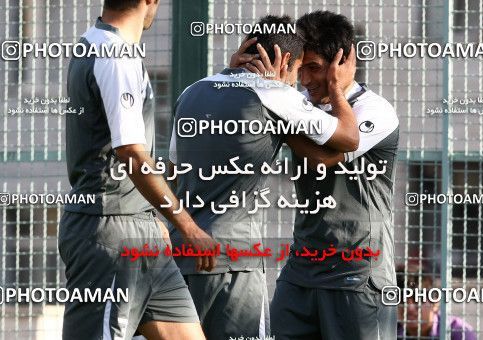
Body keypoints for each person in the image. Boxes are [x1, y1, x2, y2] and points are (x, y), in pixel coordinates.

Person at [168, 14, 359, 340]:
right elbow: (348, 138)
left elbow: (172, 171)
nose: (299, 82)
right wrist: (336, 87)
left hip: (182, 254)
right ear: (286, 60)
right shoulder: (274, 95)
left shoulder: (191, 92)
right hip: (235, 259)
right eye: (299, 71)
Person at [59, 0, 216, 339]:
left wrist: (148, 216)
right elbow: (131, 152)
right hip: (110, 234)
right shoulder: (115, 55)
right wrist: (187, 226)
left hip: (140, 232)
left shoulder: (100, 44)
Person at [244, 10, 400, 339]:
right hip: (302, 269)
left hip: (357, 274)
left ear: (343, 61)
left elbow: (324, 157)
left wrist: (280, 113)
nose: (305, 80)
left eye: (314, 68)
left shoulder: (375, 110)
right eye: (302, 69)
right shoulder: (296, 104)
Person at [397, 264, 477, 340]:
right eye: (402, 300)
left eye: (418, 299)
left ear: (435, 303)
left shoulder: (459, 333)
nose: (409, 308)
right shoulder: (390, 331)